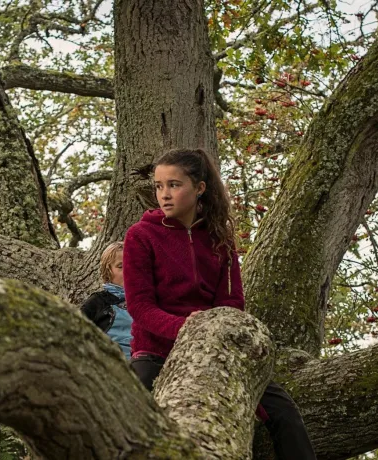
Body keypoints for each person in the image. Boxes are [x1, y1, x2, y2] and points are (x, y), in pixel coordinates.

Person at [123, 148, 316, 459]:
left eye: (174, 185)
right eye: (159, 186)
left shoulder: (220, 239)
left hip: (219, 349)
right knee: (127, 419)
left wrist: (215, 334)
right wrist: (190, 329)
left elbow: (231, 302)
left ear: (199, 188)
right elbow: (140, 307)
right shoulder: (140, 236)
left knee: (284, 412)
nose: (164, 194)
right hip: (155, 352)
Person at [80, 242, 133, 359]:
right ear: (108, 271)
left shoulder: (150, 301)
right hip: (112, 363)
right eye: (120, 266)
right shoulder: (98, 302)